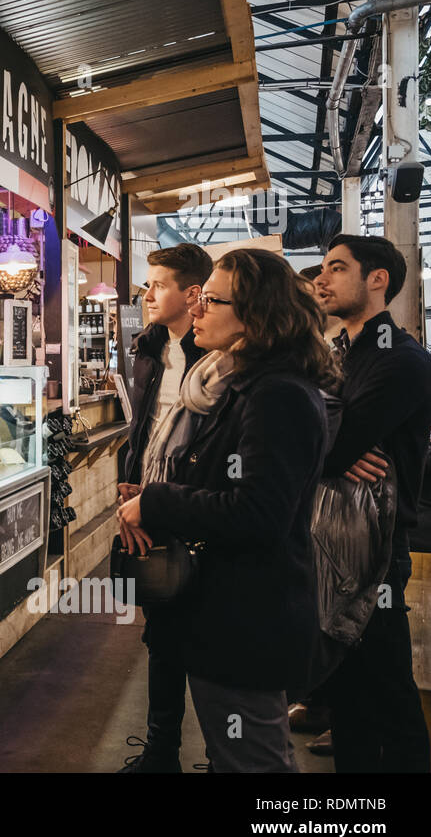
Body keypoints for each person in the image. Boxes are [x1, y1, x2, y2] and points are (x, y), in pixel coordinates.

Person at [118, 249, 335, 772]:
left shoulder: (275, 394)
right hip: (226, 614)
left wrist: (158, 499)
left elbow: (259, 514)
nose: (197, 309)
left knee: (251, 765)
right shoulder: (236, 383)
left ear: (257, 315)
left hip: (248, 620)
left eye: (212, 300)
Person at [313, 234, 431, 773]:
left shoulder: (403, 358)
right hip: (333, 544)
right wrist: (330, 447)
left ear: (377, 279)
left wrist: (327, 446)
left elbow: (331, 441)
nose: (321, 279)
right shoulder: (341, 351)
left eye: (337, 268)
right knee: (347, 692)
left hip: (380, 552)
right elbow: (317, 434)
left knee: (388, 691)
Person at [115, 243, 211, 773]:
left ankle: (226, 752)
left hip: (199, 508)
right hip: (149, 504)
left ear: (192, 294)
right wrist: (131, 485)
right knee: (161, 630)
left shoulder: (218, 352)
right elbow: (144, 425)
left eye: (157, 285)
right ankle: (161, 751)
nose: (146, 294)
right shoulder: (150, 345)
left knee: (208, 634)